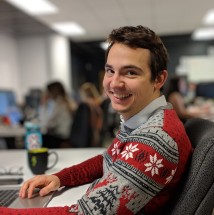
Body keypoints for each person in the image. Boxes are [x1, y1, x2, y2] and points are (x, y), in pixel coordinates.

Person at [0, 25, 193, 214]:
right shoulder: (145, 121)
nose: (115, 83)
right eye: (110, 70)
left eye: (131, 72)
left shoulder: (157, 139)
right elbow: (106, 160)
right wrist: (59, 178)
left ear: (159, 79)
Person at [38, 81, 77, 148]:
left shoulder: (60, 104)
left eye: (47, 91)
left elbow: (47, 124)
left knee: (39, 139)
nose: (46, 93)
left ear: (52, 92)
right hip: (65, 136)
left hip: (61, 138)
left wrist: (43, 105)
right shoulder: (66, 102)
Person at [70, 82, 103, 147]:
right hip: (97, 133)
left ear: (85, 93)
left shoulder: (86, 105)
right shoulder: (97, 104)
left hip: (89, 134)